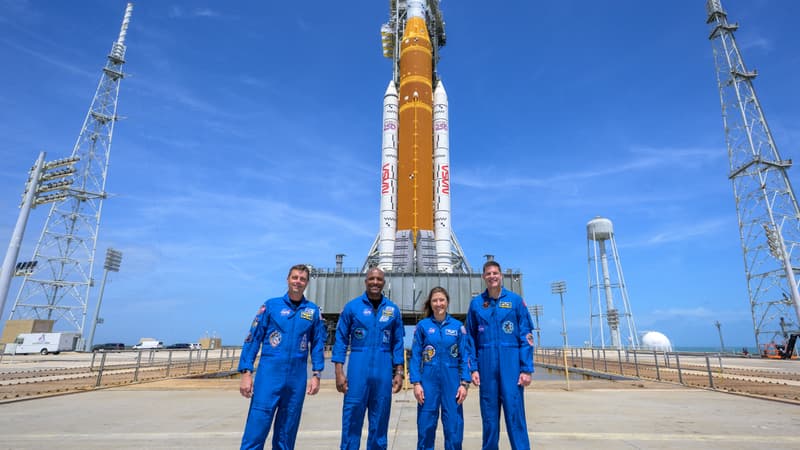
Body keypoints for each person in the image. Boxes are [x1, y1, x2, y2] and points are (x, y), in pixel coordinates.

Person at [237, 264, 327, 450]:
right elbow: (253, 339)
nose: (298, 282)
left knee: (286, 435)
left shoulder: (312, 311)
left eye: (302, 279)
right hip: (269, 377)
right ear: (287, 279)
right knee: (256, 430)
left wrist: (317, 374)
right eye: (295, 277)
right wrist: (246, 372)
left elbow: (318, 343)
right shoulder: (271, 306)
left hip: (295, 380)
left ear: (307, 283)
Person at [332, 267, 405, 450]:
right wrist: (339, 372)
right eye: (371, 279)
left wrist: (399, 372)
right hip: (358, 368)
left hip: (383, 370)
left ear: (383, 282)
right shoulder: (352, 307)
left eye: (379, 279)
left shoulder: (392, 310)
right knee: (351, 420)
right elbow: (340, 340)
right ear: (365, 281)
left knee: (380, 421)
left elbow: (397, 343)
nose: (375, 282)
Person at [466, 260, 534, 450]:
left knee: (515, 415)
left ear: (501, 275)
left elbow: (526, 335)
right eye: (488, 273)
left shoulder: (515, 301)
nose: (492, 276)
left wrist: (526, 369)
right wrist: (473, 368)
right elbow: (470, 339)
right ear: (483, 277)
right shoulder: (477, 304)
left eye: (495, 273)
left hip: (510, 365)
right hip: (487, 366)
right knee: (489, 419)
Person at [409, 287, 472, 450]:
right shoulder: (423, 326)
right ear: (430, 303)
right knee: (426, 427)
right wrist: (416, 383)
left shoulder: (458, 327)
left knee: (454, 428)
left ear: (447, 302)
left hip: (452, 383)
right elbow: (415, 356)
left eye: (441, 300)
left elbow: (465, 357)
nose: (438, 304)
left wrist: (464, 383)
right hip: (428, 382)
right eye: (435, 300)